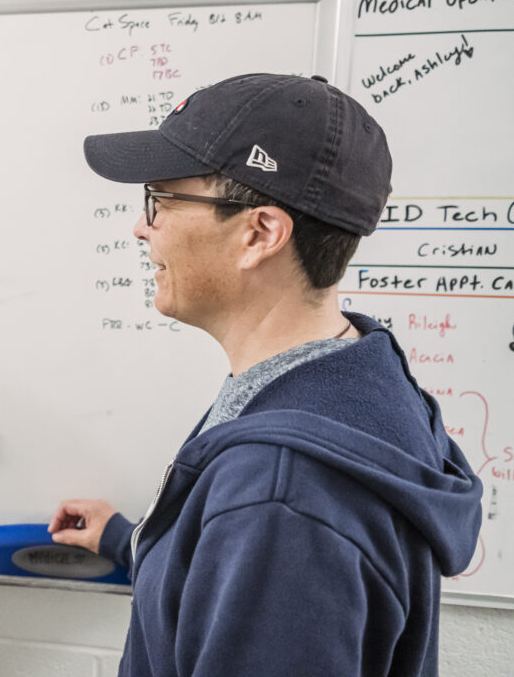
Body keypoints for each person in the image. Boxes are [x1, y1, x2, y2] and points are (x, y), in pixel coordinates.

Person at [49, 74, 482, 676]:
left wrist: (250, 521)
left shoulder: (280, 496)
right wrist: (133, 540)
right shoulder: (350, 374)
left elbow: (279, 539)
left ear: (259, 234)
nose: (142, 227)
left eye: (162, 199)